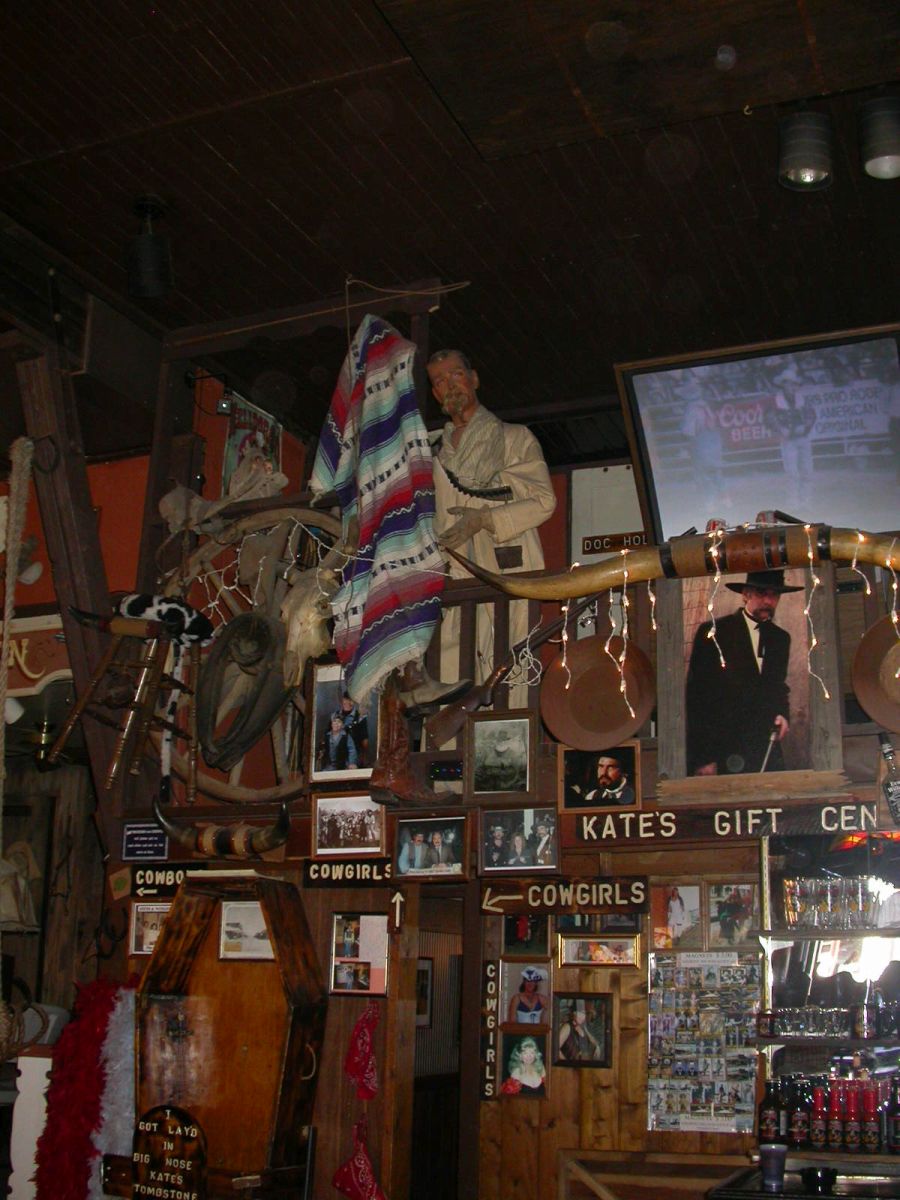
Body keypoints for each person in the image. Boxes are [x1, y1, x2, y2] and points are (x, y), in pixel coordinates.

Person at [426, 349, 556, 710]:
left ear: (474, 379)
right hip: (450, 575)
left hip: (503, 568)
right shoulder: (430, 452)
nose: (450, 385)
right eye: (439, 380)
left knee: (508, 666)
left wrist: (485, 519)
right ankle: (454, 745)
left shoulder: (513, 438)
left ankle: (508, 742)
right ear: (435, 393)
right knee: (451, 669)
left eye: (456, 374)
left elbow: (543, 500)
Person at [685, 568, 802, 775]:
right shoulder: (714, 633)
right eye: (761, 593)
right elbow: (697, 697)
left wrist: (782, 714)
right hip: (724, 750)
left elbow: (777, 686)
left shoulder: (780, 639)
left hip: (764, 749)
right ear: (746, 594)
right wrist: (704, 758)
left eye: (774, 595)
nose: (768, 601)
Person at [333, 692, 369, 766]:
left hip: (353, 756)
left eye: (350, 700)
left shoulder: (360, 717)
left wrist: (364, 755)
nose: (348, 703)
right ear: (342, 700)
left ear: (354, 701)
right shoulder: (335, 715)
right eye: (345, 699)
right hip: (336, 755)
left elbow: (365, 740)